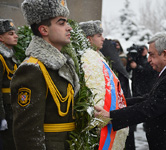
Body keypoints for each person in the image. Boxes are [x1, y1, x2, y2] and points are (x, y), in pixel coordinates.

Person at [95, 33, 166, 150]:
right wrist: (118, 103)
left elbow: (149, 108)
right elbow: (149, 98)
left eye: (151, 55)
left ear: (164, 54)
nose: (148, 60)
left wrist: (111, 116)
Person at [10, 0, 80, 149]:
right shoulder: (32, 69)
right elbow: (27, 132)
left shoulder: (64, 66)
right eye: (61, 23)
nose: (69, 28)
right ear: (44, 30)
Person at [79, 20, 128, 150]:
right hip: (96, 122)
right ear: (88, 38)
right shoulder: (85, 58)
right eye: (99, 35)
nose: (103, 38)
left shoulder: (99, 56)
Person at [0, 19, 18, 150]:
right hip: (5, 110)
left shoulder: (11, 57)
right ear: (1, 37)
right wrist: (1, 117)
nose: (15, 36)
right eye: (11, 33)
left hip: (13, 108)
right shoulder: (1, 58)